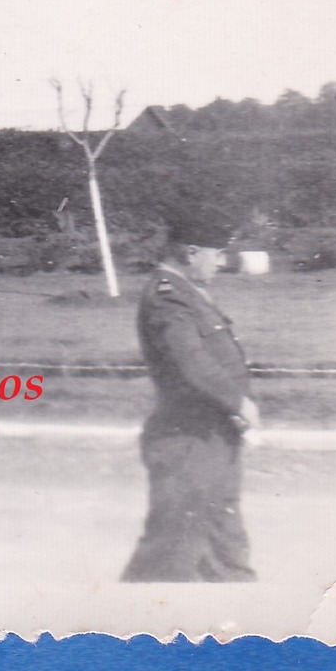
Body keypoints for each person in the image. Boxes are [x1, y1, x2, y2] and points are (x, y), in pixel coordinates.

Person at [121, 209, 259, 582]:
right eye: (216, 253)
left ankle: (247, 628)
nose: (221, 262)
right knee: (168, 554)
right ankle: (111, 629)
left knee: (225, 547)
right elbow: (190, 361)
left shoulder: (189, 294)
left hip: (211, 440)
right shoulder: (168, 298)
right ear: (191, 252)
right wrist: (237, 401)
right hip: (187, 443)